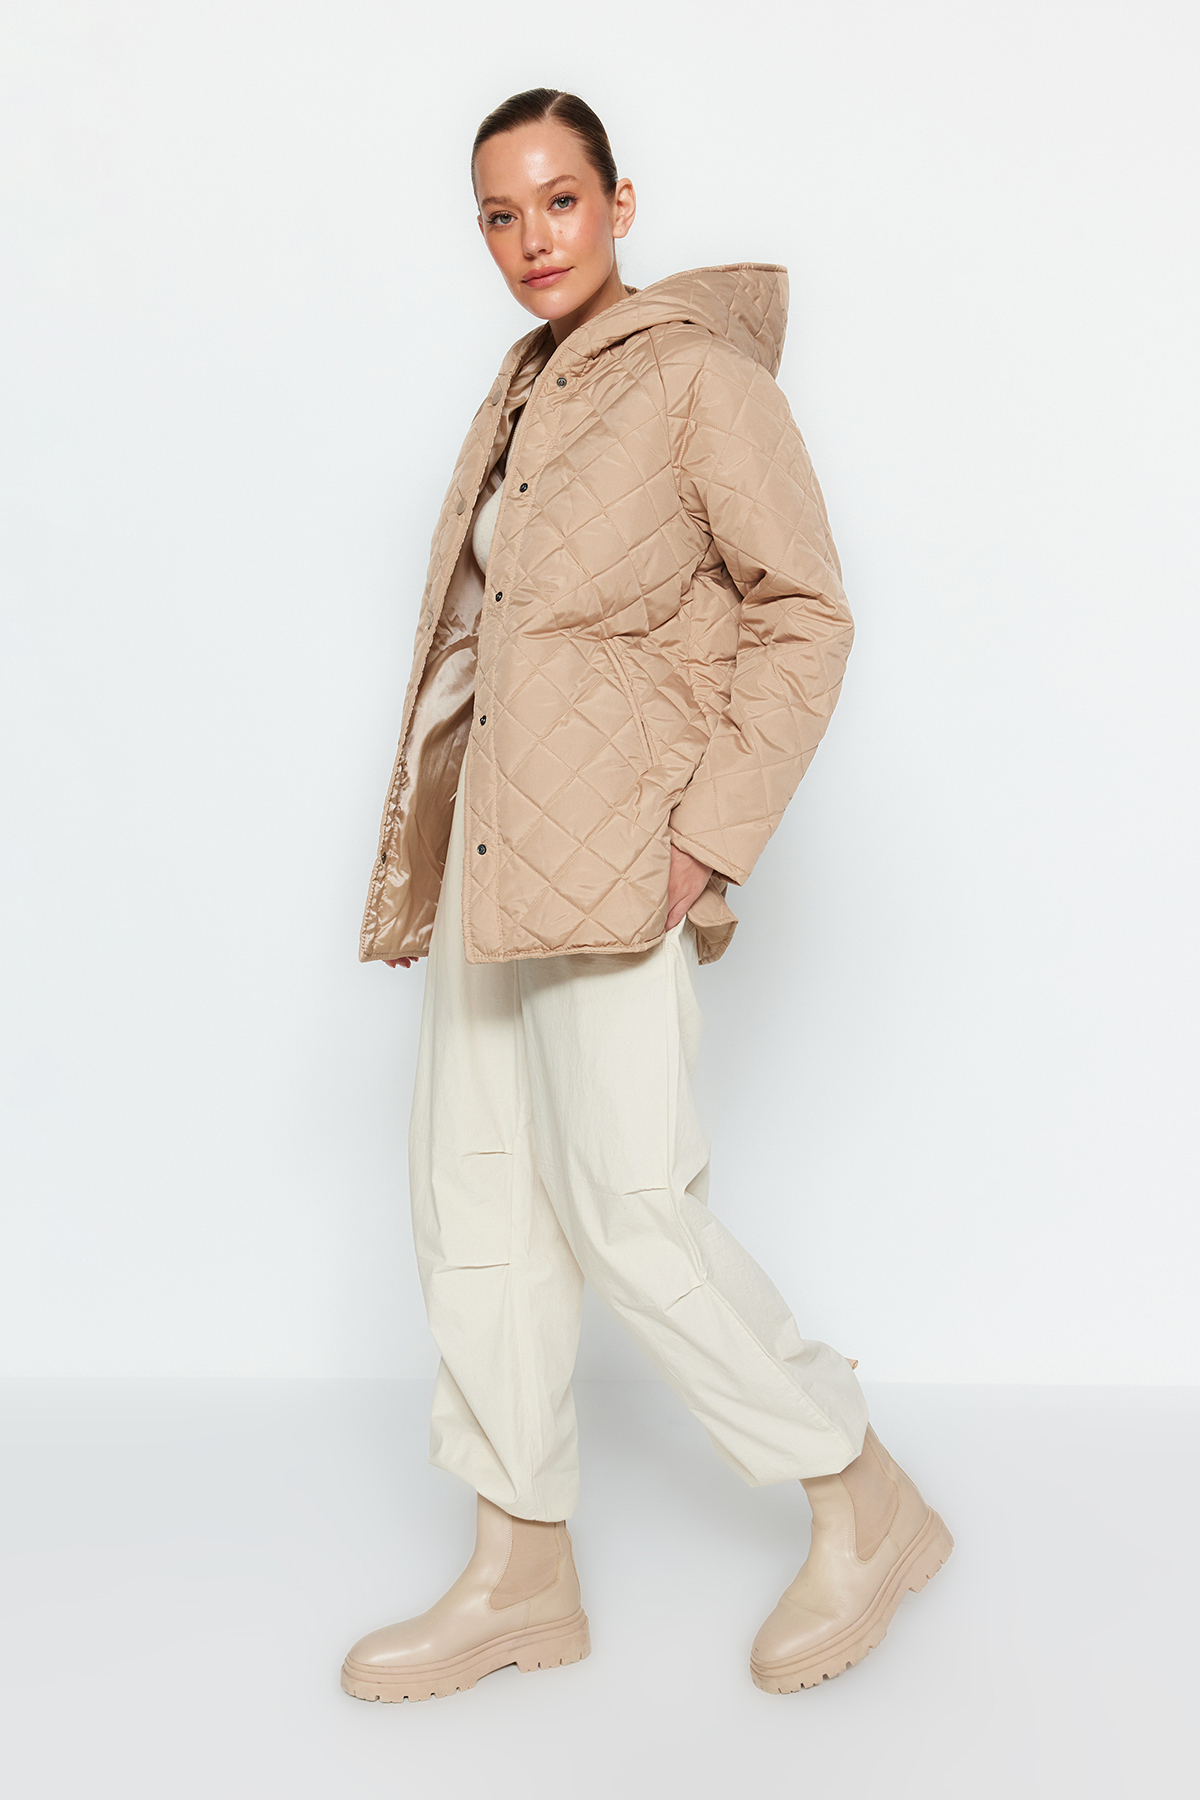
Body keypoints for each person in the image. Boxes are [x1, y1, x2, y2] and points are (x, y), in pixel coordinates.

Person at [340, 87, 952, 1703]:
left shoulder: (696, 379)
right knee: (476, 1206)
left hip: (618, 865)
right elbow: (486, 649)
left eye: (560, 200)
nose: (530, 239)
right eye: (499, 214)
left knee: (631, 1210)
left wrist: (709, 837)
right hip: (494, 864)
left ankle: (862, 1495)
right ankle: (518, 1569)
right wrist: (422, 861)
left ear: (621, 202)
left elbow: (804, 612)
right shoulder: (525, 388)